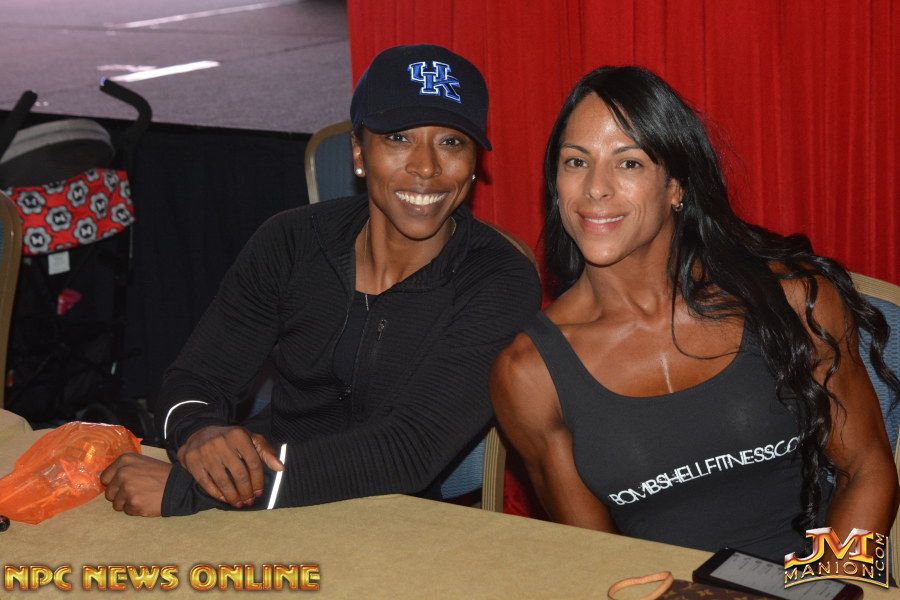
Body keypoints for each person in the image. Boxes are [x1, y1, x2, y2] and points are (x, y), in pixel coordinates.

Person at [101, 44, 541, 516]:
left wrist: (194, 492)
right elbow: (195, 377)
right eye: (398, 138)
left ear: (474, 163)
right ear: (359, 152)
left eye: (451, 142)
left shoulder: (499, 279)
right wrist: (200, 433)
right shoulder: (291, 241)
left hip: (396, 521)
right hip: (266, 494)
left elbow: (408, 453)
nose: (427, 166)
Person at [490, 66, 899, 561]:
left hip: (817, 579)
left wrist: (832, 585)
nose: (595, 188)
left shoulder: (792, 299)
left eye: (629, 163)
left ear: (676, 188)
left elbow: (866, 469)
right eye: (576, 162)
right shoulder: (529, 373)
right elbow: (597, 559)